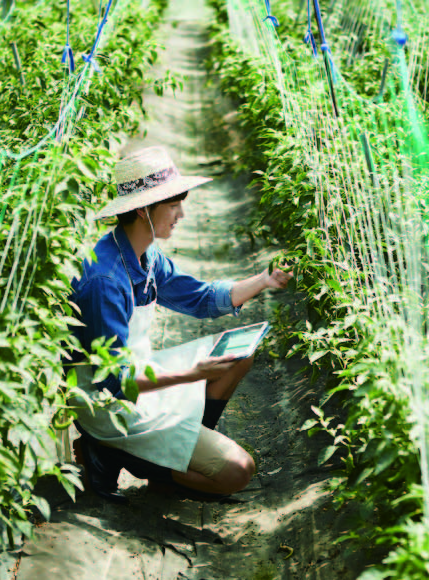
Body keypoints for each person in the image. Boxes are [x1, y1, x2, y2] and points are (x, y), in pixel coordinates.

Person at [65, 145, 291, 503]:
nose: (181, 214)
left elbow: (200, 298)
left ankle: (174, 456)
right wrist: (192, 374)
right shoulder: (105, 280)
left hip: (139, 376)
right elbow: (113, 382)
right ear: (143, 210)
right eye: (173, 205)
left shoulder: (145, 256)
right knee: (238, 471)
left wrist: (264, 280)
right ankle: (116, 453)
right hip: (109, 403)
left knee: (237, 357)